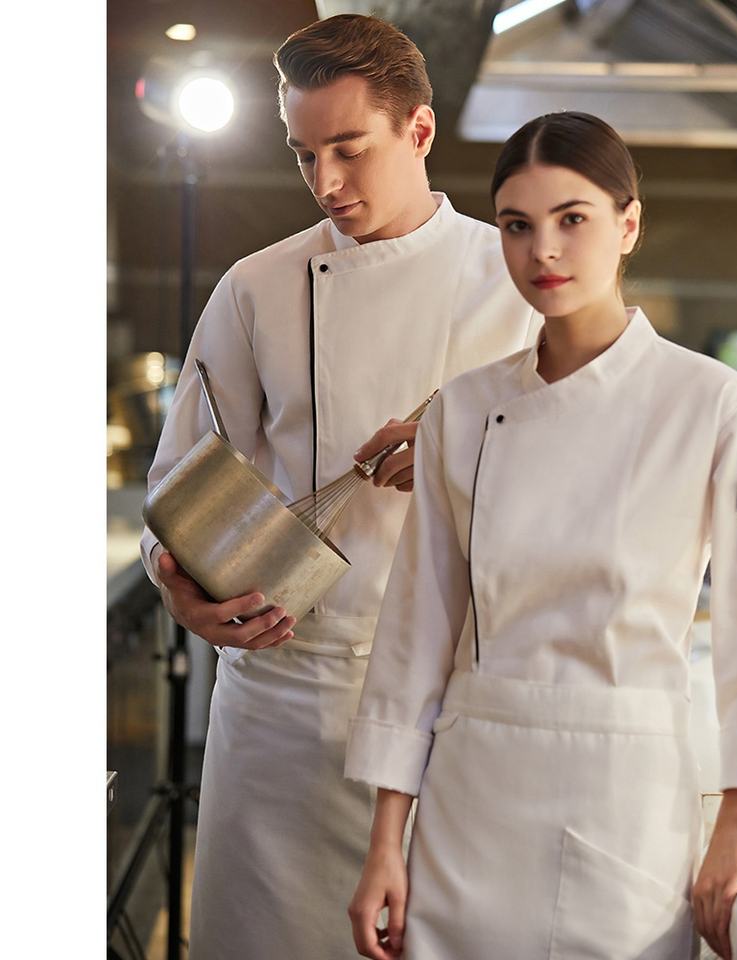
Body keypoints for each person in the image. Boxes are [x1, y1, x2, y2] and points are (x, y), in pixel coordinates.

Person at [345, 111, 737, 960]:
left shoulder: (713, 406)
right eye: (516, 226)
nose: (543, 251)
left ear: (628, 225)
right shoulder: (462, 410)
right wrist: (386, 839)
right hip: (469, 799)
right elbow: (417, 630)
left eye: (572, 219)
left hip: (623, 798)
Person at [139, 15, 537, 960]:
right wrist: (172, 581)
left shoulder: (517, 283)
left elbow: (590, 483)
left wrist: (464, 452)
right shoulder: (256, 287)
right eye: (303, 154)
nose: (325, 183)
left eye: (349, 149)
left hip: (453, 702)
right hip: (281, 697)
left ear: (419, 131)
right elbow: (178, 476)